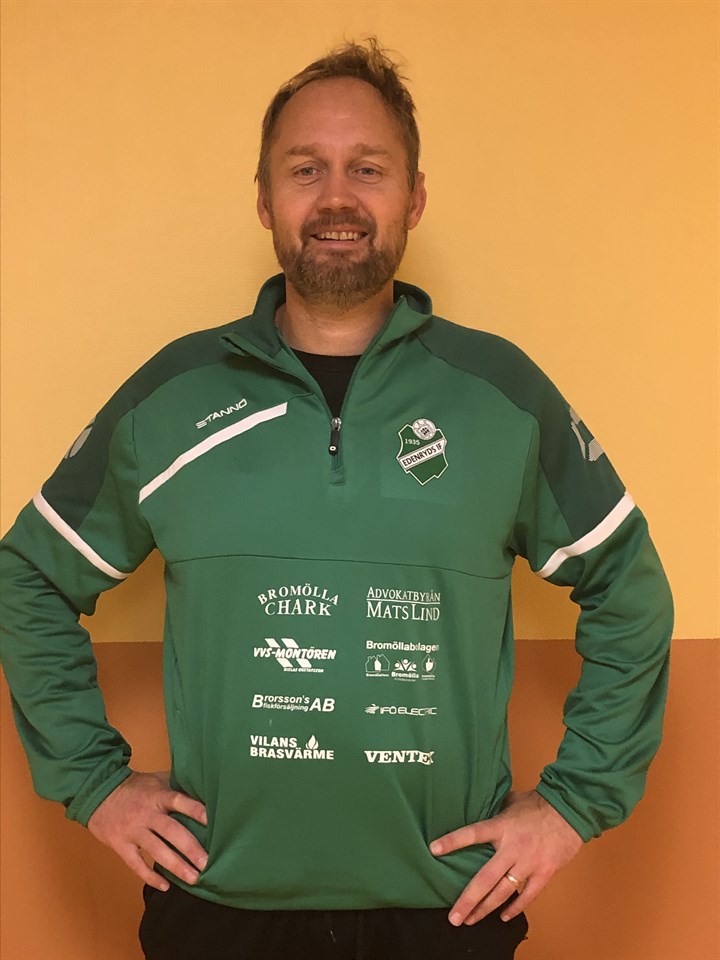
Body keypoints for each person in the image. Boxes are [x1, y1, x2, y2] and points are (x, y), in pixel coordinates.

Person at [0, 38, 673, 960]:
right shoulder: (172, 396)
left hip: (447, 912)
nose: (337, 199)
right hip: (218, 910)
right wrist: (94, 784)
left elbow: (629, 589)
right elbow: (30, 577)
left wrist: (571, 807)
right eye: (305, 169)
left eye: (369, 168)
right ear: (265, 198)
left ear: (414, 197)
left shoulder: (501, 395)